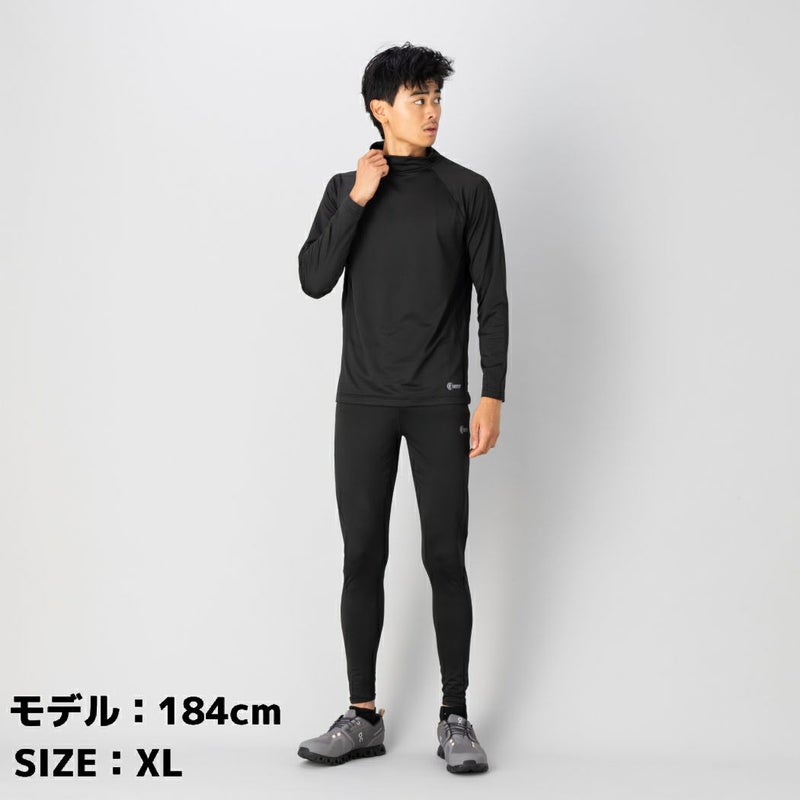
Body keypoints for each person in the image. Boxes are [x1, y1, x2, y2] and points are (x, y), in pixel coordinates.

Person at [296, 42, 509, 774]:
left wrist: (492, 392)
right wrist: (358, 197)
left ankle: (455, 716)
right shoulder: (344, 187)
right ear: (379, 109)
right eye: (419, 98)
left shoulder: (466, 190)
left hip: (438, 400)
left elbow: (493, 299)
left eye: (437, 97)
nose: (433, 110)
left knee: (444, 556)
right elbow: (313, 278)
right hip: (362, 401)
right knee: (362, 556)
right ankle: (362, 717)